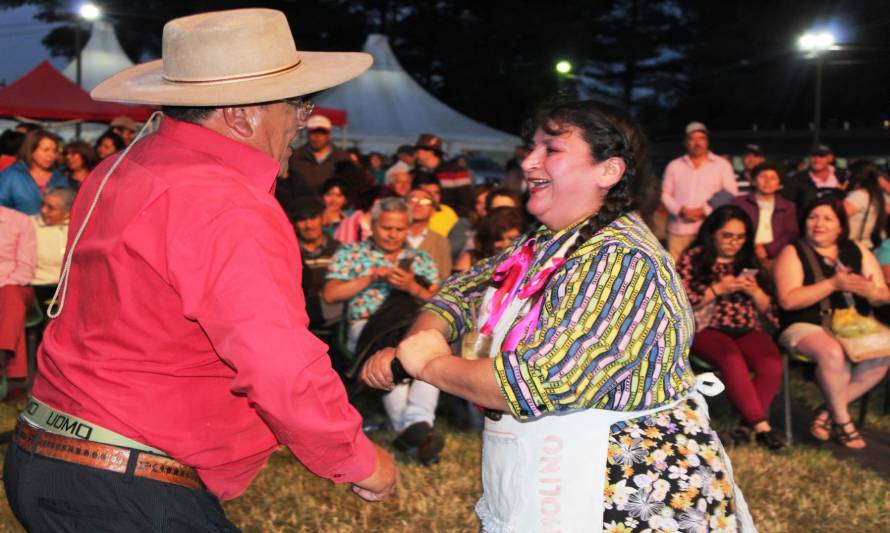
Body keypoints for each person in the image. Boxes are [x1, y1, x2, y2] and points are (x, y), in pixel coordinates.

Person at [3, 9, 396, 531]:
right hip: (123, 481)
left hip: (48, 452)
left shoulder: (121, 166)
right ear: (240, 116)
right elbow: (276, 359)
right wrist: (358, 458)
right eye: (298, 103)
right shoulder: (224, 202)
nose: (305, 119)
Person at [361, 100, 754, 531]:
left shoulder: (621, 258)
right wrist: (418, 342)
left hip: (623, 491)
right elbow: (460, 292)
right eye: (531, 148)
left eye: (551, 149)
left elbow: (540, 382)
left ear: (609, 171)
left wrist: (428, 365)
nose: (528, 161)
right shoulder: (545, 242)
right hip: (553, 472)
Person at [324, 197, 444, 465]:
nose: (392, 234)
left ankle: (413, 430)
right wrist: (370, 277)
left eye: (399, 229)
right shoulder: (352, 253)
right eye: (386, 227)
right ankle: (419, 430)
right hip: (366, 326)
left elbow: (440, 305)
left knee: (428, 349)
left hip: (410, 324)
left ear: (408, 227)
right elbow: (331, 295)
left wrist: (413, 287)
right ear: (373, 225)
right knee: (389, 356)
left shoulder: (420, 259)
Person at [774, 196, 890, 449]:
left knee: (884, 353)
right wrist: (832, 284)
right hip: (806, 324)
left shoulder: (857, 249)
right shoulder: (793, 251)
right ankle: (842, 421)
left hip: (852, 324)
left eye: (828, 218)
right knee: (832, 352)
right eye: (813, 217)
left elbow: (882, 295)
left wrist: (870, 291)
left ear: (840, 225)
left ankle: (827, 411)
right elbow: (788, 301)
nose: (819, 224)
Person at [677, 205, 785, 450]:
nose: (734, 243)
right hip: (708, 327)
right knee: (730, 357)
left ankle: (746, 427)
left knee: (771, 364)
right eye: (727, 236)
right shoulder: (694, 258)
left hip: (746, 327)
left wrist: (755, 291)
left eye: (740, 237)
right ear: (713, 233)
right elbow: (681, 303)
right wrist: (718, 289)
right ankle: (762, 426)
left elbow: (771, 309)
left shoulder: (750, 260)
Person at [661, 121, 738, 260]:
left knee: (705, 269)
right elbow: (665, 194)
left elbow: (730, 192)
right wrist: (680, 210)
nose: (697, 143)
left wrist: (705, 210)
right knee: (676, 272)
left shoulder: (722, 165)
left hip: (709, 229)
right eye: (692, 138)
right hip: (678, 230)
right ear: (686, 142)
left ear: (707, 141)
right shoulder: (674, 165)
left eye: (701, 138)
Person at [731, 161, 798, 271]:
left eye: (773, 178)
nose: (767, 181)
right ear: (753, 181)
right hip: (745, 253)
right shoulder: (740, 203)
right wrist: (755, 247)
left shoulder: (788, 206)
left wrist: (767, 249)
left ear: (779, 185)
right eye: (763, 176)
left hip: (776, 256)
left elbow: (791, 233)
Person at [0, 205, 36, 388]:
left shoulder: (19, 221)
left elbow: (25, 269)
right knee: (13, 315)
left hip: (13, 284)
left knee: (11, 297)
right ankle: (15, 378)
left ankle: (3, 357)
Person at [0, 130, 70, 215]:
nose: (51, 155)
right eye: (46, 150)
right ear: (31, 151)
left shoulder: (60, 177)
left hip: (53, 227)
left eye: (54, 151)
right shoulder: (11, 175)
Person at [30, 188, 75, 308]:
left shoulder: (79, 228)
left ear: (68, 212)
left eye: (51, 208)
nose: (43, 210)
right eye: (43, 204)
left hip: (72, 288)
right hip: (38, 287)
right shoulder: (29, 225)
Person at [412, 133, 473, 218]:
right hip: (423, 219)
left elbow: (466, 200)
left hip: (449, 219)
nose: (417, 153)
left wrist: (453, 219)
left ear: (431, 152)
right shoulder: (416, 173)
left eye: (419, 149)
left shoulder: (456, 171)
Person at [286, 114, 351, 194]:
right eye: (313, 132)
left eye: (321, 132)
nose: (317, 136)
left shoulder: (342, 158)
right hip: (302, 204)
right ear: (307, 134)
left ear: (329, 135)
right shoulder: (294, 157)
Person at [781, 144, 846, 214]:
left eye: (821, 156)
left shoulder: (842, 175)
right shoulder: (797, 179)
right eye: (813, 156)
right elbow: (788, 205)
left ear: (830, 158)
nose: (817, 160)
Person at [454, 206, 524, 271]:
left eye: (512, 239)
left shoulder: (525, 263)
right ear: (488, 238)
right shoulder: (470, 259)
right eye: (498, 239)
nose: (505, 244)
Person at [406, 188, 452, 282]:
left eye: (425, 201)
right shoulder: (392, 236)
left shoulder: (441, 242)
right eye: (412, 200)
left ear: (433, 210)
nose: (418, 204)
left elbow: (444, 279)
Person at [844, 160, 886, 249]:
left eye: (848, 174)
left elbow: (837, 215)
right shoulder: (878, 196)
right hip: (871, 245)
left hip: (854, 246)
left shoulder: (859, 196)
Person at [413, 173, 459, 237]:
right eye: (429, 193)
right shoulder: (413, 214)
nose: (434, 197)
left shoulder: (447, 211)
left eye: (436, 193)